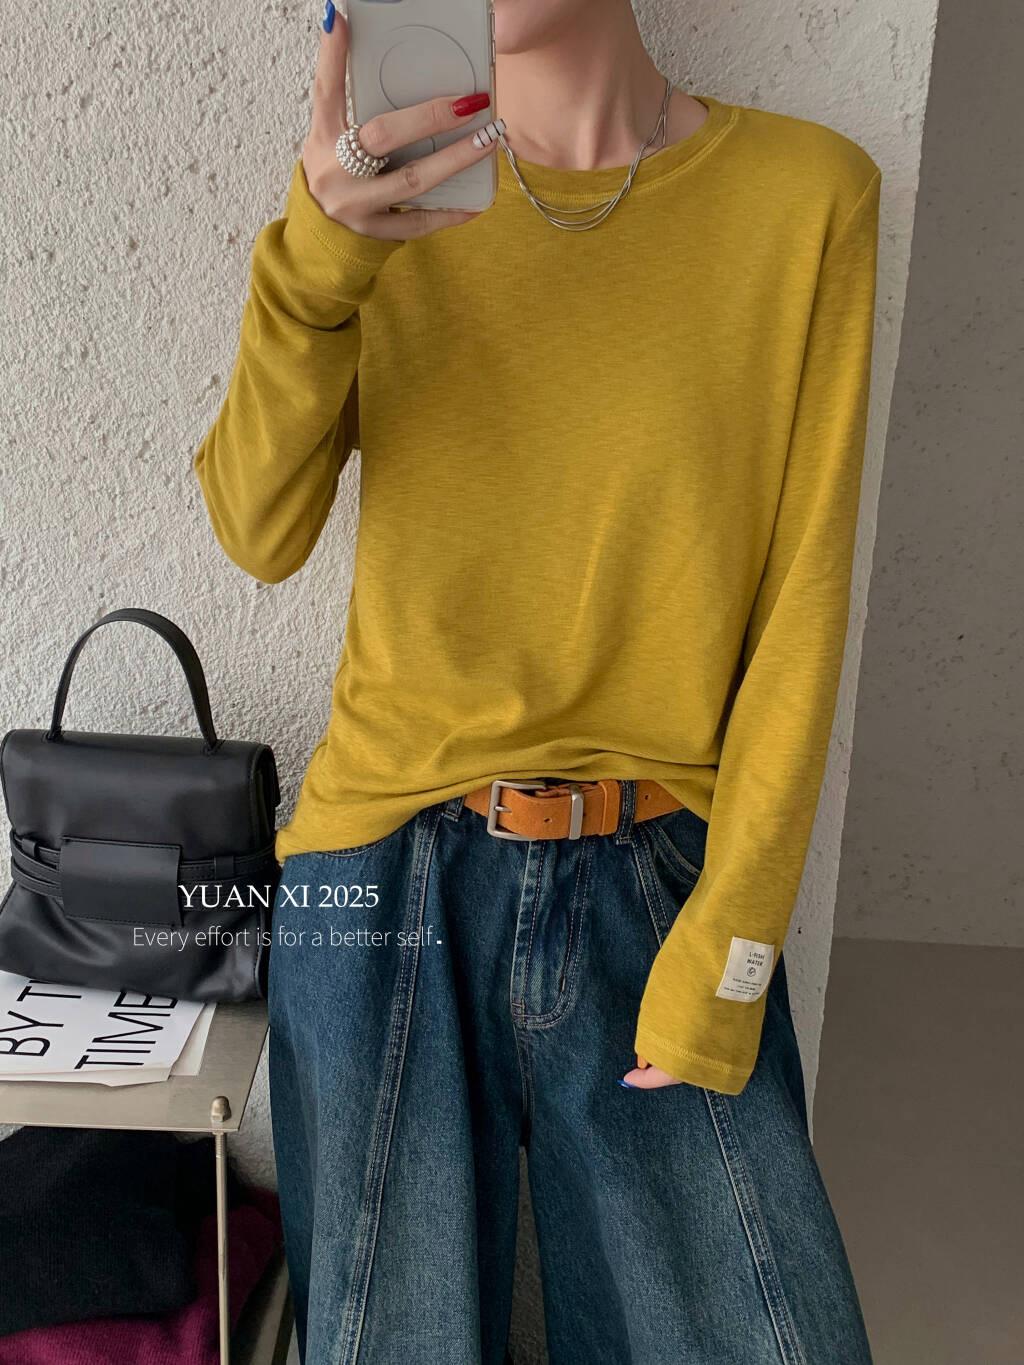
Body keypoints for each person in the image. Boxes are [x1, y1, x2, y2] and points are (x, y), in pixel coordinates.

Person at [193, 1, 881, 1360]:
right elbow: (256, 532)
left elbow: (802, 610)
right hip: (384, 873)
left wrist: (738, 939)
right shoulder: (387, 188)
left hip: (666, 877)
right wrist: (320, 256)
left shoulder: (808, 197)